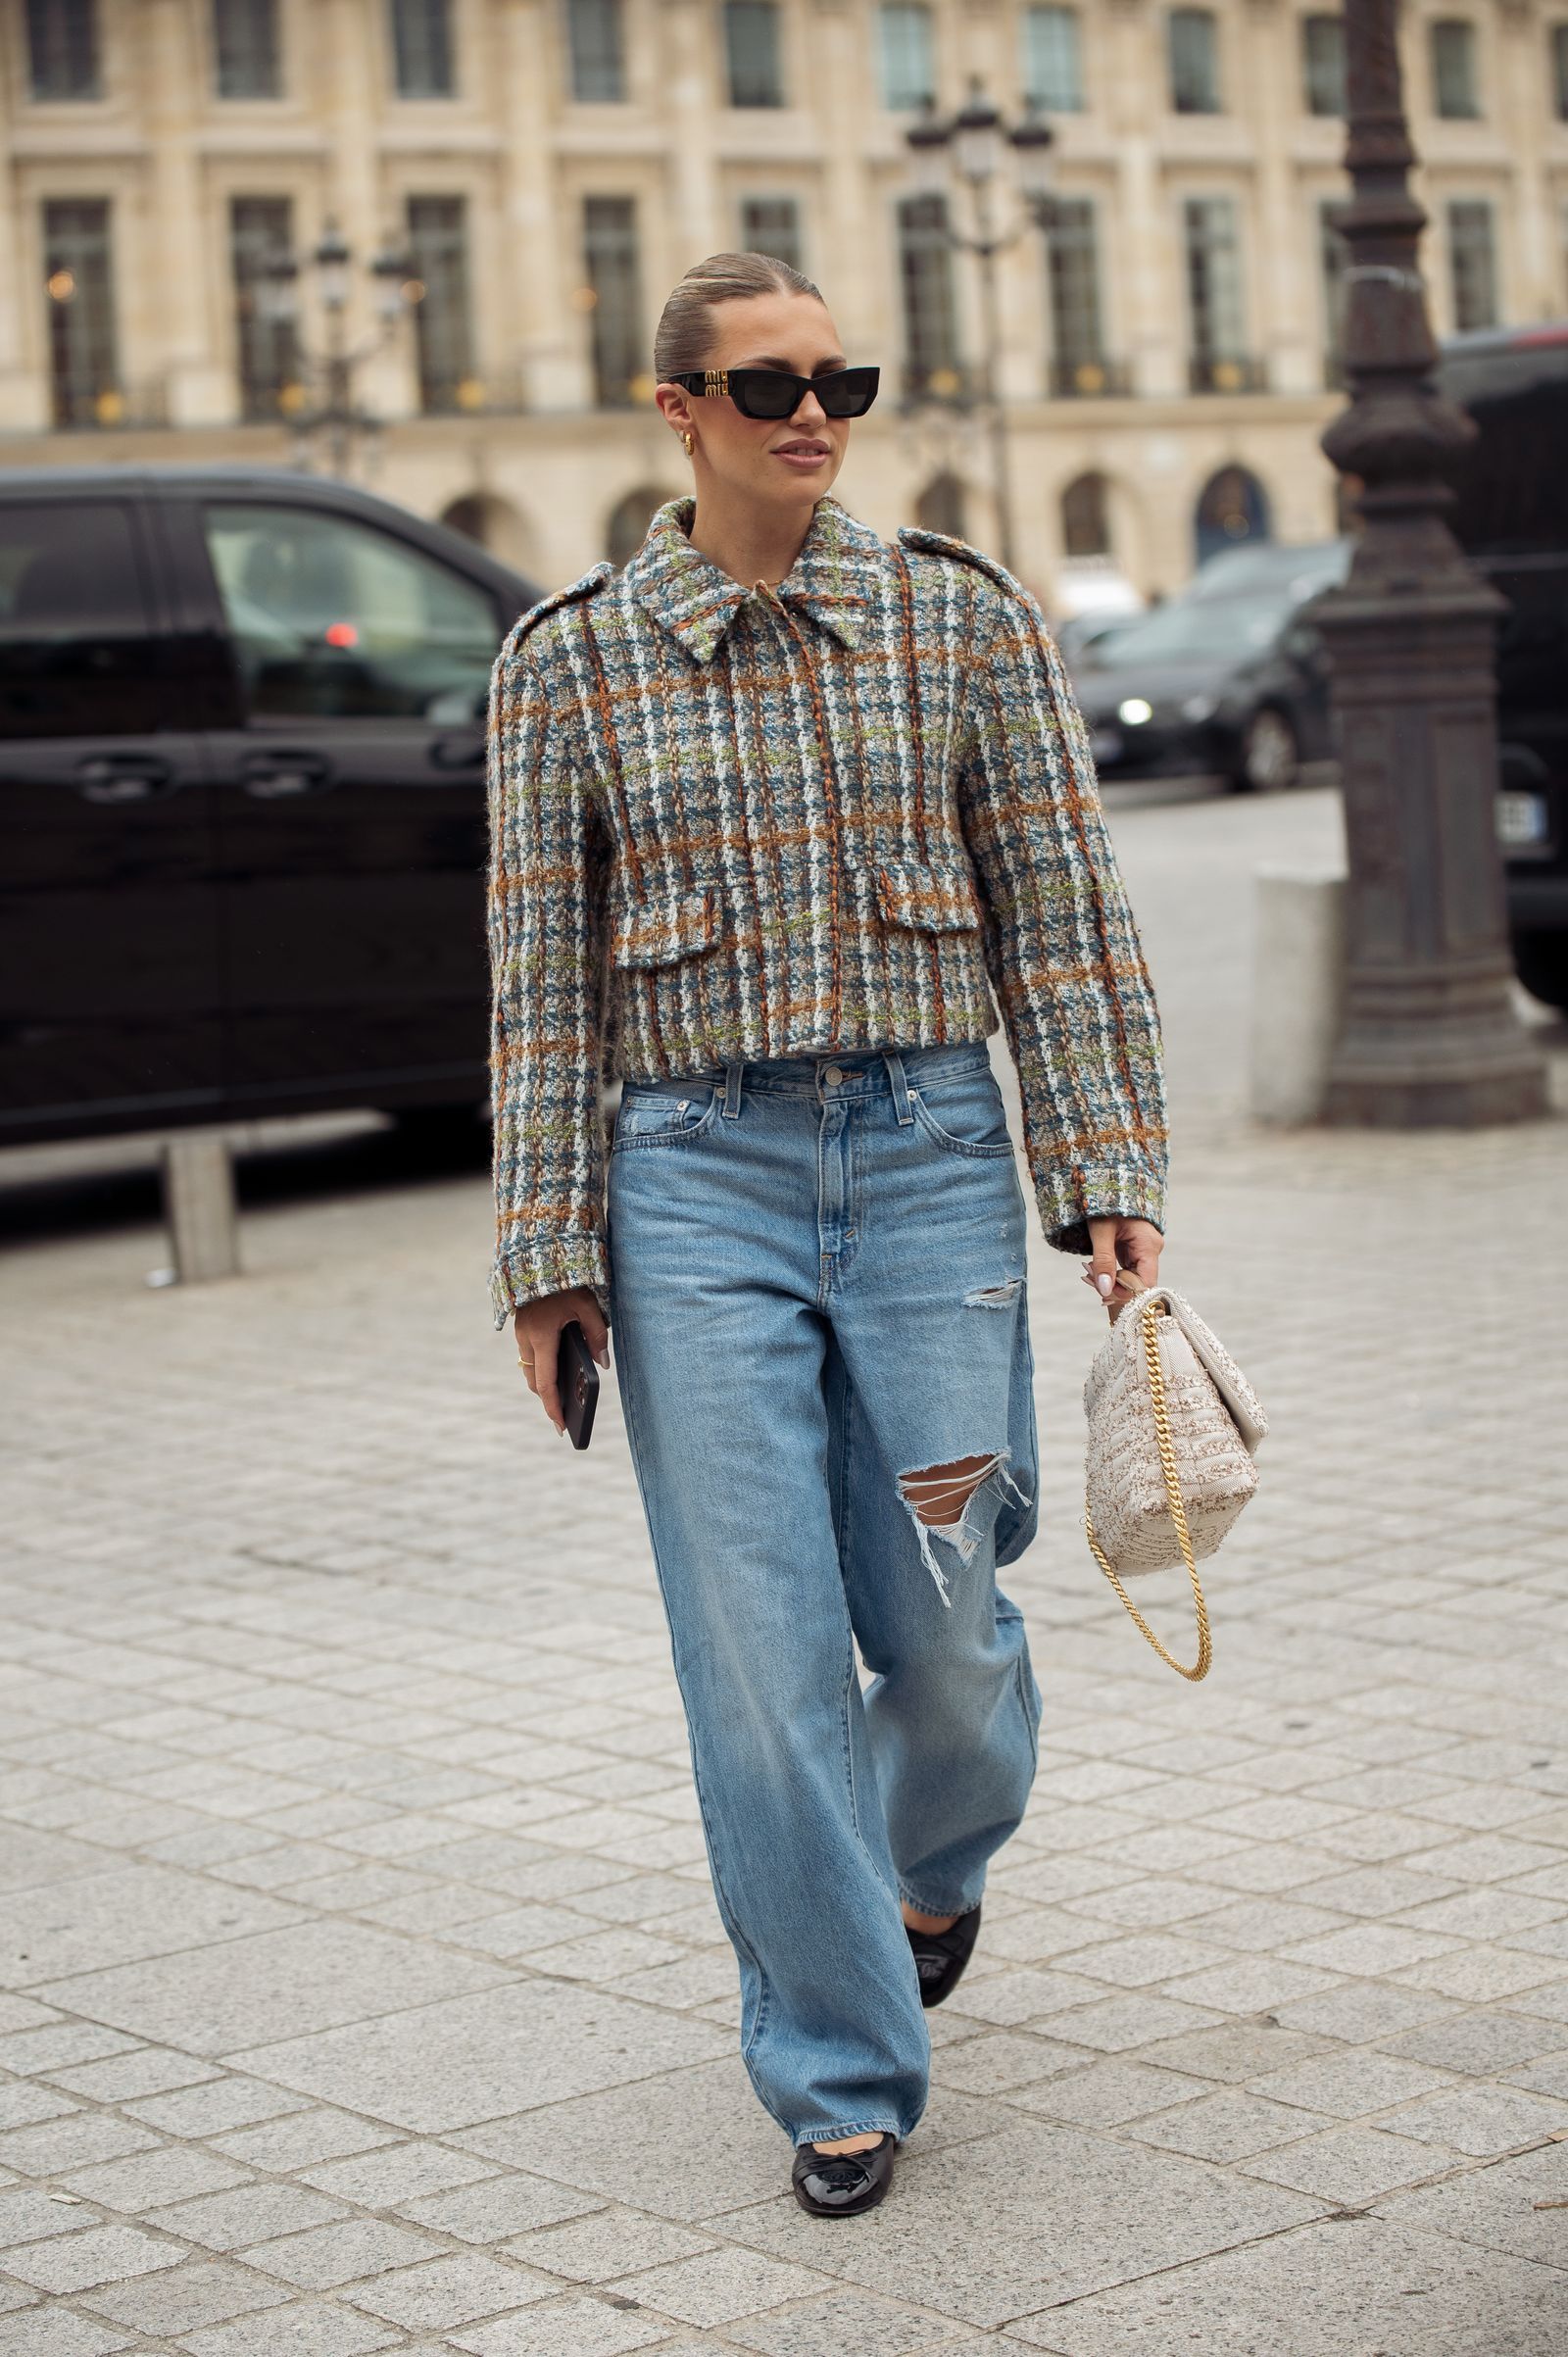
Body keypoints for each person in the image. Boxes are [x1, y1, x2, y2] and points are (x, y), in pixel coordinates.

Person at [487, 252, 1167, 2219]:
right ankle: (838, 2063)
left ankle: (926, 1861)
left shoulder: (956, 624)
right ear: (677, 410)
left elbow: (1061, 909)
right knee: (758, 1651)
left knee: (944, 1632)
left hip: (930, 1163)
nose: (814, 414)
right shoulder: (571, 660)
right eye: (769, 384)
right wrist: (548, 1250)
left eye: (841, 381)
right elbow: (541, 980)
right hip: (688, 1180)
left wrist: (1103, 1167)